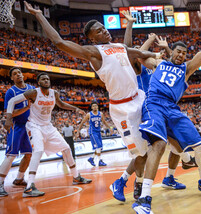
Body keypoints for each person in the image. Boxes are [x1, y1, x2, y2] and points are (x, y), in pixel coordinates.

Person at [25, 1, 161, 202]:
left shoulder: (119, 46)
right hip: (122, 109)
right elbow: (59, 43)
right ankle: (131, 184)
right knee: (140, 153)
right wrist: (39, 15)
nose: (105, 31)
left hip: (140, 100)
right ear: (91, 38)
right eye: (99, 30)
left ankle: (135, 185)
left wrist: (158, 56)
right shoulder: (94, 52)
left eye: (104, 28)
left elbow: (138, 53)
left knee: (152, 147)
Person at [132, 2, 201, 213]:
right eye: (178, 51)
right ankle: (145, 198)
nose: (181, 55)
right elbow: (138, 55)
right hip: (154, 103)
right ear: (170, 52)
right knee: (158, 145)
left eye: (184, 53)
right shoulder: (158, 63)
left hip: (173, 109)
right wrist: (149, 41)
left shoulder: (186, 69)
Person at [4, 72, 92, 197]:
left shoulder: (54, 93)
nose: (46, 80)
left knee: (66, 149)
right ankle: (29, 187)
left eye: (48, 79)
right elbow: (12, 101)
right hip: (34, 126)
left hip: (48, 126)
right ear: (39, 82)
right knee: (38, 150)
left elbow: (61, 104)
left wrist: (75, 108)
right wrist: (8, 118)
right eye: (43, 79)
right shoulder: (34, 93)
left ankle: (76, 176)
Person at [0, 67, 34, 197]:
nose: (18, 75)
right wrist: (26, 107)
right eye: (14, 74)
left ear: (23, 75)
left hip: (29, 126)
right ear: (12, 78)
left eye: (19, 72)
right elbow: (10, 113)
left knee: (29, 154)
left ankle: (19, 178)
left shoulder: (31, 88)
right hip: (16, 126)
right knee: (11, 155)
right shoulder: (11, 92)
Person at [78, 101, 110, 166]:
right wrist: (78, 130)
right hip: (93, 132)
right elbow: (82, 122)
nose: (95, 107)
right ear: (91, 107)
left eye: (96, 105)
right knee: (98, 146)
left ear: (97, 106)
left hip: (98, 132)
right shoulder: (89, 114)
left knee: (99, 148)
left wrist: (110, 127)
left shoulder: (100, 114)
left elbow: (104, 121)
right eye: (93, 106)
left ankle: (91, 158)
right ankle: (100, 161)